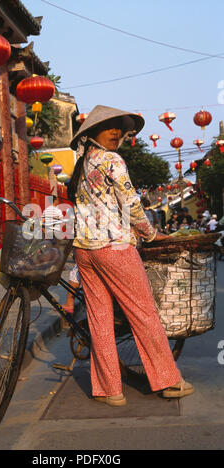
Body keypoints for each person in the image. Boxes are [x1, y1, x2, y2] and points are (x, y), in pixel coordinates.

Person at [67, 104, 194, 406]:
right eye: (110, 127)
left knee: (100, 320)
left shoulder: (84, 163)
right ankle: (169, 381)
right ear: (93, 132)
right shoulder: (112, 160)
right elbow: (131, 204)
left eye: (120, 129)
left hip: (85, 250)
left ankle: (110, 390)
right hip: (115, 249)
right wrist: (150, 234)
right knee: (143, 314)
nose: (117, 133)